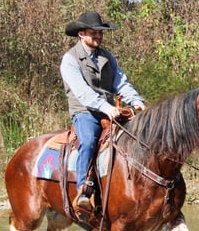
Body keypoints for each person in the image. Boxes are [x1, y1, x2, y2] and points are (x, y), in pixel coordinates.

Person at [60, 11, 145, 213]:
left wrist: (137, 101)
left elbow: (120, 83)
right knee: (89, 141)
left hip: (110, 111)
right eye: (93, 33)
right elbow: (82, 92)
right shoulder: (70, 60)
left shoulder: (107, 57)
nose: (98, 36)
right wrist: (107, 108)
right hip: (85, 112)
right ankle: (84, 189)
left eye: (100, 33)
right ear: (81, 34)